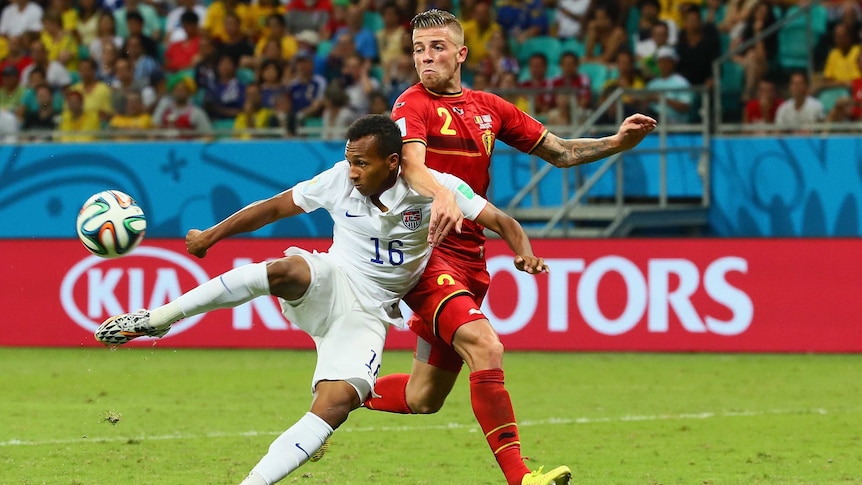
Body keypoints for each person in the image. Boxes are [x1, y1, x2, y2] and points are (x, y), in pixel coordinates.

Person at [93, 114, 549, 485]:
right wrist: (212, 235)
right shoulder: (338, 181)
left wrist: (524, 252)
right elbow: (273, 207)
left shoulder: (437, 188)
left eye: (362, 163)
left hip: (369, 312)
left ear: (393, 162)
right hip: (333, 278)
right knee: (285, 270)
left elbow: (503, 221)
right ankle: (158, 319)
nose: (352, 171)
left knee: (335, 405)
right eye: (349, 160)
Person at [362, 9, 656, 485]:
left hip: (471, 256)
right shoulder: (410, 104)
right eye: (418, 49)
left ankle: (341, 392)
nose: (425, 58)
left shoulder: (489, 107)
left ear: (461, 54)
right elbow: (412, 165)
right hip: (424, 251)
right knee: (486, 345)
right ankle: (522, 476)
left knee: (423, 398)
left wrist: (618, 143)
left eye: (436, 47)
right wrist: (441, 195)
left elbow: (561, 152)